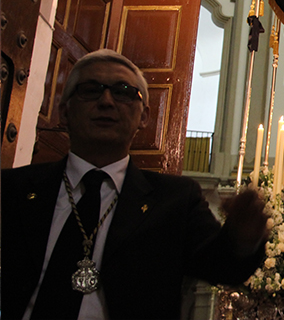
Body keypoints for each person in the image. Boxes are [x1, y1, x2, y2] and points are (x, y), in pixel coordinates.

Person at [1, 49, 269, 320]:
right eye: (91, 90)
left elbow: (223, 266)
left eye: (124, 92)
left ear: (144, 117)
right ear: (64, 111)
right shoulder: (13, 190)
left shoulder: (174, 200)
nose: (106, 101)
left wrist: (243, 238)